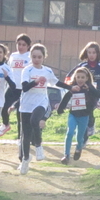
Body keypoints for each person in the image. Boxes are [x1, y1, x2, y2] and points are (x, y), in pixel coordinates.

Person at [18, 43, 70, 174]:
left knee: (35, 121)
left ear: (44, 57)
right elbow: (24, 87)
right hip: (26, 104)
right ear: (31, 57)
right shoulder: (27, 70)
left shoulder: (47, 71)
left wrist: (71, 87)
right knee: (25, 134)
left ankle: (38, 146)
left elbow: (56, 82)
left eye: (39, 57)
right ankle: (25, 160)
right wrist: (36, 81)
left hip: (41, 101)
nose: (36, 59)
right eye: (34, 56)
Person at [57, 67, 100, 164]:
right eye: (78, 77)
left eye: (82, 77)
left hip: (84, 116)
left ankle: (78, 148)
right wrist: (60, 109)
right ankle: (66, 155)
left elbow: (99, 95)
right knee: (69, 133)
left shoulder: (89, 88)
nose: (80, 79)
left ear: (86, 78)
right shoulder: (73, 88)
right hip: (73, 114)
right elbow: (66, 97)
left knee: (79, 137)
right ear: (75, 78)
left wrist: (89, 89)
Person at [0, 34, 31, 138]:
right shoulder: (13, 55)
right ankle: (6, 124)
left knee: (19, 113)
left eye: (23, 45)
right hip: (12, 86)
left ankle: (20, 137)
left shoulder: (30, 56)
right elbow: (8, 69)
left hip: (24, 89)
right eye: (19, 44)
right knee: (4, 106)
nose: (20, 47)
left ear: (28, 46)